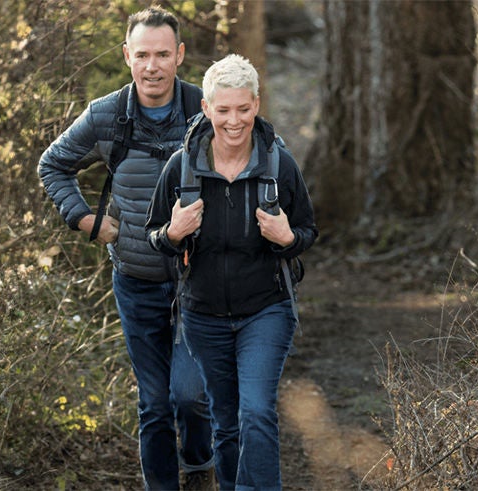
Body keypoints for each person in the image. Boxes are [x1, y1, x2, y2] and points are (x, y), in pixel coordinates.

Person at [37, 6, 213, 489]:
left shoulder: (208, 109)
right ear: (127, 57)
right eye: (142, 55)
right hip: (135, 283)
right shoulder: (106, 115)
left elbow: (259, 160)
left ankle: (200, 465)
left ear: (179, 55)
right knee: (155, 404)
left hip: (201, 283)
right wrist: (88, 221)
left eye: (162, 54)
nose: (152, 66)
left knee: (192, 397)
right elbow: (52, 165)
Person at [145, 54, 317, 490]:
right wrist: (173, 231)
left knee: (256, 410)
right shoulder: (181, 168)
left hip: (266, 310)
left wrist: (286, 238)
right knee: (225, 422)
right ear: (206, 108)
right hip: (202, 315)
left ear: (256, 104)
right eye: (223, 110)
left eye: (243, 109)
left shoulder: (278, 165)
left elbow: (308, 231)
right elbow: (153, 236)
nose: (234, 121)